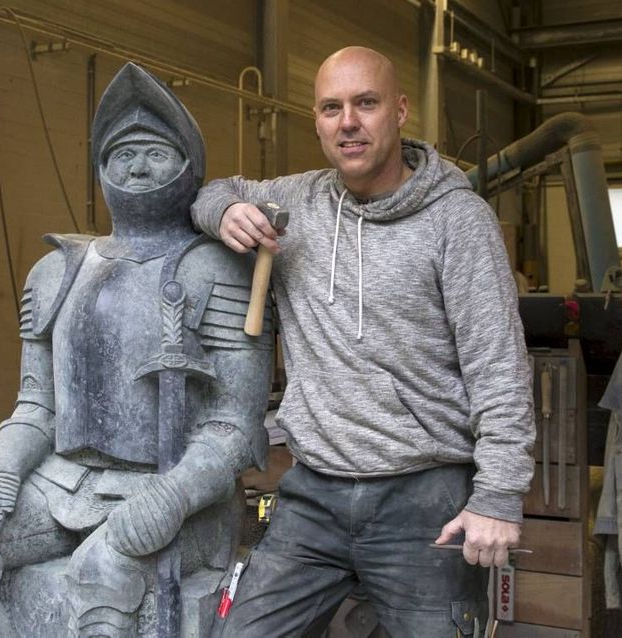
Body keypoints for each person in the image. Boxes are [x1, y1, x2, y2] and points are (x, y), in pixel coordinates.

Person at [0, 63, 274, 637]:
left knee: (101, 571)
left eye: (156, 152)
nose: (136, 166)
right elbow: (37, 406)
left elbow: (235, 423)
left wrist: (172, 498)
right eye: (121, 153)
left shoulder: (218, 270)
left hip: (175, 495)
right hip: (58, 483)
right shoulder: (55, 271)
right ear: (100, 167)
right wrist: (0, 475)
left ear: (189, 167)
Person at [191, 46, 535, 636]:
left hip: (425, 503)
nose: (347, 121)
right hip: (313, 497)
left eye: (365, 103)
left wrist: (498, 496)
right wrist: (223, 210)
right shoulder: (298, 199)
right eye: (331, 108)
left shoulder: (458, 220)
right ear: (318, 120)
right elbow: (214, 188)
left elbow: (499, 367)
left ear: (400, 111)